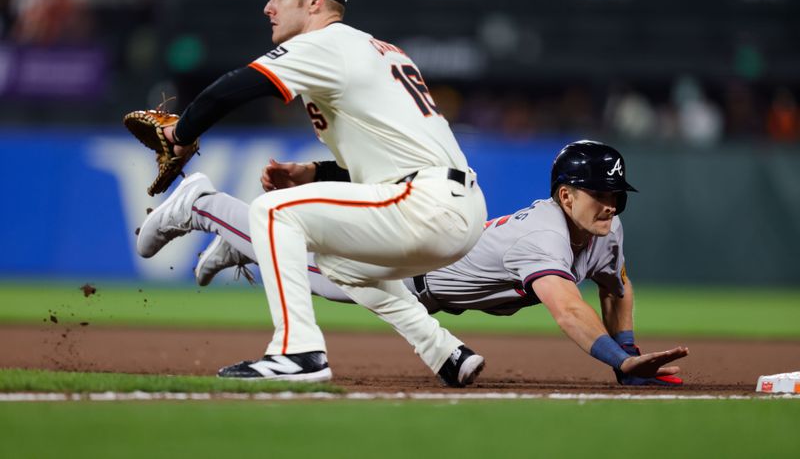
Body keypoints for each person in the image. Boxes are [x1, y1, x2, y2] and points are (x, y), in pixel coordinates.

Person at [135, 0, 489, 386]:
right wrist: (313, 174)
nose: (269, 6)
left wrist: (180, 135)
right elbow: (385, 161)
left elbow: (234, 88)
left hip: (425, 203)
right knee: (342, 265)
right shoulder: (378, 50)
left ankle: (297, 351)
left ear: (315, 1)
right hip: (455, 208)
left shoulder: (327, 44)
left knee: (273, 211)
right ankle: (444, 351)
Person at [155, 140, 690, 386]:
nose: (613, 203)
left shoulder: (605, 227)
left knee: (291, 247)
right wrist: (619, 364)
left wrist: (629, 355)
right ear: (566, 195)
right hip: (402, 272)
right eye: (601, 192)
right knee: (313, 275)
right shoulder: (544, 233)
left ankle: (242, 240)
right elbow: (569, 309)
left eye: (618, 193)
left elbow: (616, 285)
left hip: (426, 271)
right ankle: (202, 204)